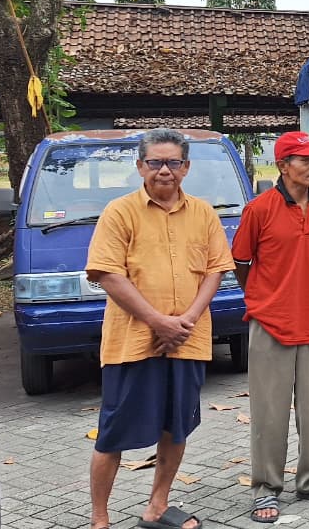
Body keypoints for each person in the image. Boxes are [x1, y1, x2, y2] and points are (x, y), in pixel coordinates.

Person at [86, 129, 235, 529]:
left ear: (186, 167)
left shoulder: (203, 213)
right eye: (155, 162)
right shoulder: (119, 212)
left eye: (173, 162)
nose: (164, 170)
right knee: (112, 432)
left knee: (177, 426)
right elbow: (107, 274)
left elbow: (215, 270)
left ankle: (157, 506)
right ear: (140, 166)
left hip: (187, 340)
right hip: (133, 343)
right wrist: (158, 322)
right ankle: (100, 519)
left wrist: (186, 320)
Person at [231, 131, 309, 523]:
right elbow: (241, 262)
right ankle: (266, 489)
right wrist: (263, 299)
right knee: (270, 414)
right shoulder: (259, 209)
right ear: (283, 166)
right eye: (306, 160)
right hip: (271, 324)